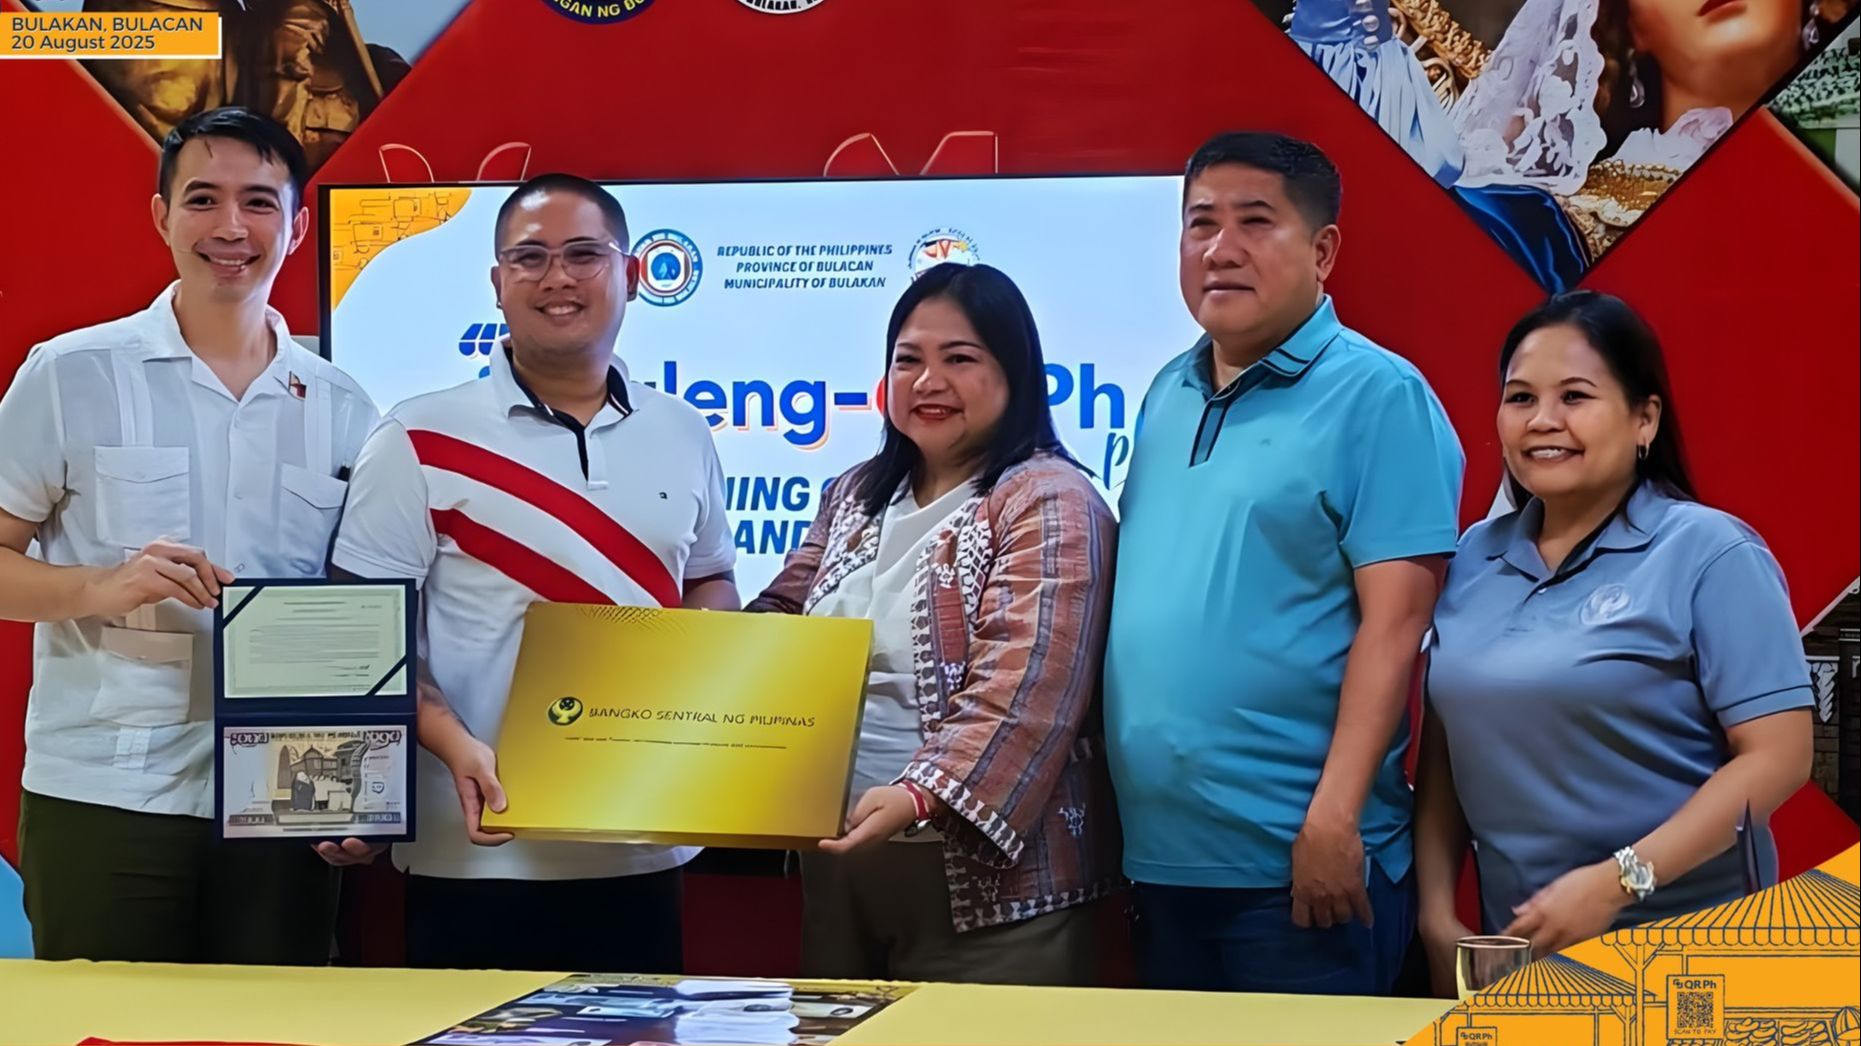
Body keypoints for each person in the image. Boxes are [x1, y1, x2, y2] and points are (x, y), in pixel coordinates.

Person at [326, 173, 740, 973]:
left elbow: (710, 580)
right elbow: (362, 637)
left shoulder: (683, 430)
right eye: (530, 257)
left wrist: (700, 678)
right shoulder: (418, 436)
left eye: (584, 255)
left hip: (643, 839)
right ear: (497, 282)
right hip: (475, 847)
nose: (557, 277)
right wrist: (452, 743)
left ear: (630, 275)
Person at [0, 106, 379, 963]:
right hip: (105, 789)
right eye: (203, 199)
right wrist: (98, 586)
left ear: (298, 226)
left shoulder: (345, 406)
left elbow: (357, 622)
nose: (231, 228)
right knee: (101, 1021)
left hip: (289, 797)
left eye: (259, 202)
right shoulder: (70, 373)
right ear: (161, 216)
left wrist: (358, 790)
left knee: (275, 1022)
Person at [1103, 131, 1465, 995]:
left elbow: (1397, 627)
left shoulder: (1380, 396)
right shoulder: (1165, 390)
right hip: (1161, 866)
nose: (1219, 248)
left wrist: (1334, 817)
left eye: (1254, 222)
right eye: (1199, 223)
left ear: (1322, 251)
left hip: (1303, 875)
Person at [1416, 291, 1813, 991]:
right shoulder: (1474, 555)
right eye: (1520, 398)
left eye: (1575, 397)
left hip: (1695, 961)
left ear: (1643, 419)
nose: (1543, 420)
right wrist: (1434, 911)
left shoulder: (1709, 551)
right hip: (1525, 958)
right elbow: (1450, 746)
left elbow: (1778, 758)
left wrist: (1618, 882)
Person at [748, 262, 1122, 985]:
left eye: (959, 359)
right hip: (835, 861)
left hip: (990, 887)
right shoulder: (856, 492)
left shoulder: (1049, 498)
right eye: (907, 360)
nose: (927, 382)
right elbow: (780, 614)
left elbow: (1028, 686)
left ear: (1015, 374)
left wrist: (921, 793)